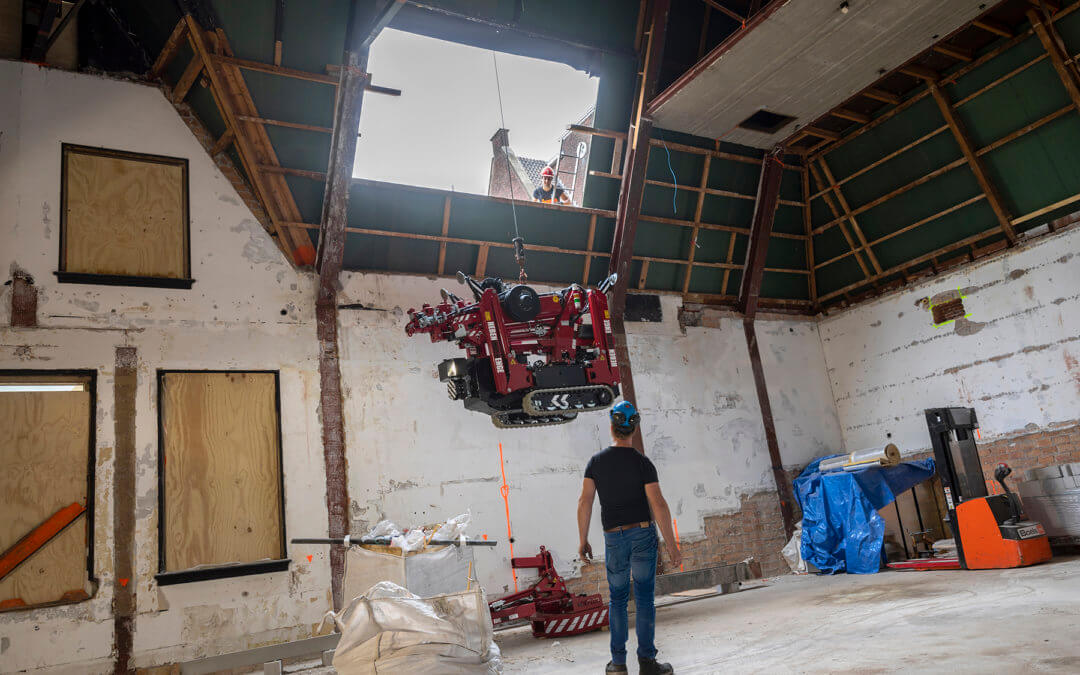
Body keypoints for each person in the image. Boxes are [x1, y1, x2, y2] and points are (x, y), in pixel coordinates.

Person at [577, 401, 680, 675]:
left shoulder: (595, 463)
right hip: (643, 534)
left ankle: (618, 664)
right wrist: (671, 545)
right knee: (645, 598)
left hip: (614, 538)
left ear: (611, 425)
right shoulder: (642, 463)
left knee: (618, 599)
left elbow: (585, 501)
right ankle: (647, 662)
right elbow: (658, 503)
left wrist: (582, 538)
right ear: (634, 428)